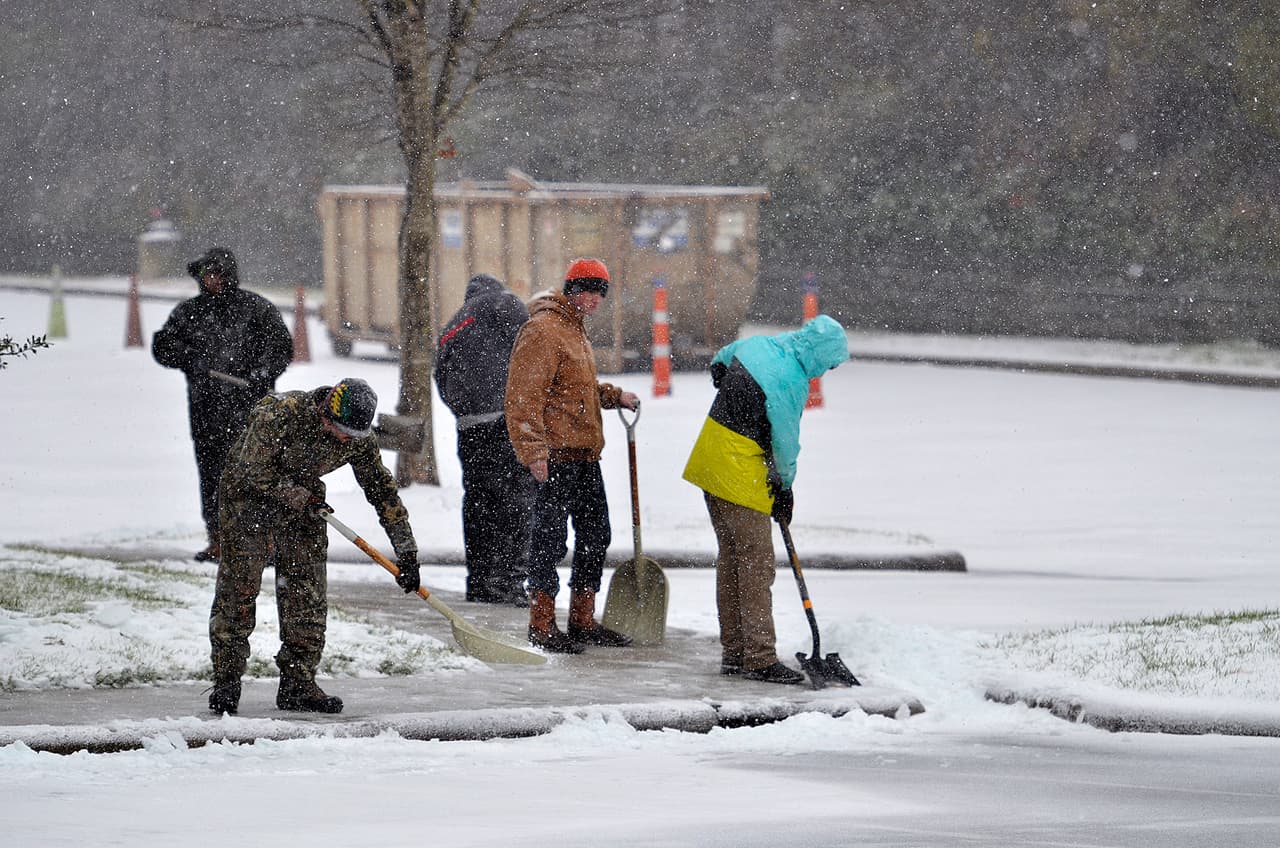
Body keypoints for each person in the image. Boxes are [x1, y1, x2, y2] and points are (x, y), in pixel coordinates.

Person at [206, 377, 421, 716]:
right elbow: (252, 470)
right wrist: (297, 496)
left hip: (305, 507)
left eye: (352, 436)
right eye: (340, 431)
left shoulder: (356, 437)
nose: (345, 440)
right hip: (248, 501)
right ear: (324, 412)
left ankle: (298, 682)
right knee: (240, 590)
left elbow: (382, 491)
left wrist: (406, 550)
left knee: (307, 592)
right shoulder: (280, 413)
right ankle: (227, 680)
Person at [681, 315, 850, 684]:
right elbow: (785, 443)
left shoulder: (759, 345)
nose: (826, 371)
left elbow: (722, 357)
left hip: (710, 458)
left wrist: (722, 374)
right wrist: (785, 487)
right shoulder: (790, 379)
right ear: (820, 354)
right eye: (830, 363)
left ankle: (735, 652)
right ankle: (758, 658)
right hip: (738, 468)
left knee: (732, 561)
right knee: (756, 566)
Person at [505, 258, 640, 654]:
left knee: (596, 534)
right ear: (571, 288)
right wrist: (533, 452)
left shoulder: (573, 329)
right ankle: (541, 622)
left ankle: (581, 619)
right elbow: (523, 397)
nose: (594, 299)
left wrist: (614, 396)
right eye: (587, 290)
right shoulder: (544, 330)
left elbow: (575, 387)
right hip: (555, 456)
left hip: (583, 455)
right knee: (549, 540)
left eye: (601, 293)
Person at [152, 247, 293, 563]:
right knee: (213, 478)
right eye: (207, 275)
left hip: (252, 413)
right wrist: (188, 358)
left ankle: (264, 541)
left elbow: (282, 348)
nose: (213, 280)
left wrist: (262, 374)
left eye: (218, 274)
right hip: (206, 414)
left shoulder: (256, 310)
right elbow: (162, 345)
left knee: (258, 476)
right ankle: (219, 540)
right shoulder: (190, 313)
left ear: (230, 275)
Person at [434, 273, 535, 607]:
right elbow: (531, 342)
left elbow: (441, 378)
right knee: (516, 500)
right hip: (503, 420)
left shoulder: (451, 327)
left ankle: (480, 582)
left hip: (469, 428)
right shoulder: (500, 302)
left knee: (479, 504)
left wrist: (466, 411)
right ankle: (510, 583)